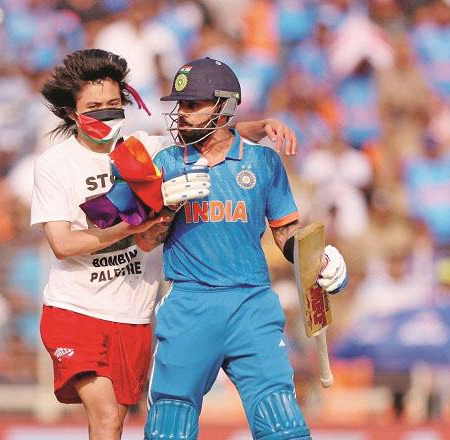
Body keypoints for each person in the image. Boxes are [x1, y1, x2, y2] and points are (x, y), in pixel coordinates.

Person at [31, 48, 298, 440]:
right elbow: (62, 244)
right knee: (108, 416)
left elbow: (212, 136)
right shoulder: (56, 164)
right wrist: (141, 220)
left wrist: (263, 126)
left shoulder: (147, 150)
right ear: (73, 112)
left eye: (111, 104)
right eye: (93, 107)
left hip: (134, 311)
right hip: (76, 306)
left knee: (119, 421)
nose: (105, 113)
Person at [137, 57, 348, 440]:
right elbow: (146, 241)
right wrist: (166, 208)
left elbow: (286, 235)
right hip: (189, 304)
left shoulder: (263, 161)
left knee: (282, 426)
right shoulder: (166, 162)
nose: (181, 114)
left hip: (252, 304)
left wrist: (321, 260)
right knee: (170, 425)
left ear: (223, 109)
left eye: (192, 105)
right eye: (180, 105)